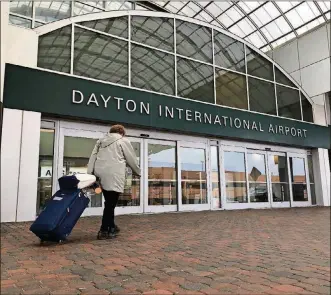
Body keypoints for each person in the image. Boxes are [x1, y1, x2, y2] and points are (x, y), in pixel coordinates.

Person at [87, 124, 140, 240]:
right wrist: (138, 172)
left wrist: (90, 173)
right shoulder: (123, 141)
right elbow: (131, 158)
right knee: (110, 204)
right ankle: (105, 230)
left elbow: (92, 158)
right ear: (122, 133)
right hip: (114, 175)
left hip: (100, 174)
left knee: (109, 202)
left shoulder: (100, 141)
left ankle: (111, 225)